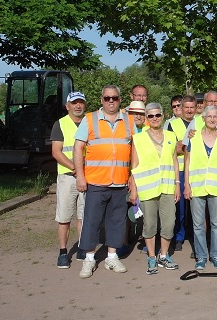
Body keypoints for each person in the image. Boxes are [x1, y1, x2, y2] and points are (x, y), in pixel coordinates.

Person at [74, 85, 134, 278]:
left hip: (119, 182)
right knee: (91, 221)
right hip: (95, 182)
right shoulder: (89, 119)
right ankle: (89, 259)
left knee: (117, 221)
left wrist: (132, 178)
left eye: (114, 98)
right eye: (107, 98)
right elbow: (78, 149)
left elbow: (135, 150)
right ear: (101, 100)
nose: (111, 101)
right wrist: (81, 177)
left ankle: (112, 256)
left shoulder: (129, 121)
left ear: (120, 100)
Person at [130, 102, 180, 275]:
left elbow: (174, 162)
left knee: (169, 224)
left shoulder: (170, 136)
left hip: (167, 186)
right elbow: (134, 165)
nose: (154, 118)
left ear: (162, 116)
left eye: (157, 115)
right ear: (146, 118)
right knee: (150, 225)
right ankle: (152, 257)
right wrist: (134, 189)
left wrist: (177, 185)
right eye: (150, 116)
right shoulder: (138, 138)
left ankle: (164, 255)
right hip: (147, 188)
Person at [184, 105, 217, 270]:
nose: (212, 119)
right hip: (197, 186)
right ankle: (201, 256)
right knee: (198, 224)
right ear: (202, 118)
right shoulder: (194, 136)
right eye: (208, 116)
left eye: (215, 117)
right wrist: (186, 185)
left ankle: (216, 255)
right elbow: (187, 161)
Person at [51, 91, 87, 268]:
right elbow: (56, 152)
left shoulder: (90, 123)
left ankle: (82, 246)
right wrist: (75, 168)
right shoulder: (60, 124)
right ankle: (63, 252)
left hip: (87, 177)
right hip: (68, 176)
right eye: (74, 103)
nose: (78, 106)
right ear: (68, 106)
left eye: (81, 102)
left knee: (84, 215)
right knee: (64, 216)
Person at [167, 95, 196, 253]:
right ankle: (178, 236)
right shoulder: (173, 124)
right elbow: (173, 148)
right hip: (180, 169)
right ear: (181, 108)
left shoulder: (200, 121)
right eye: (186, 107)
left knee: (195, 206)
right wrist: (186, 145)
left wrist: (182, 144)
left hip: (196, 169)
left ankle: (193, 235)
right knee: (180, 206)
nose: (189, 110)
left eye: (192, 107)